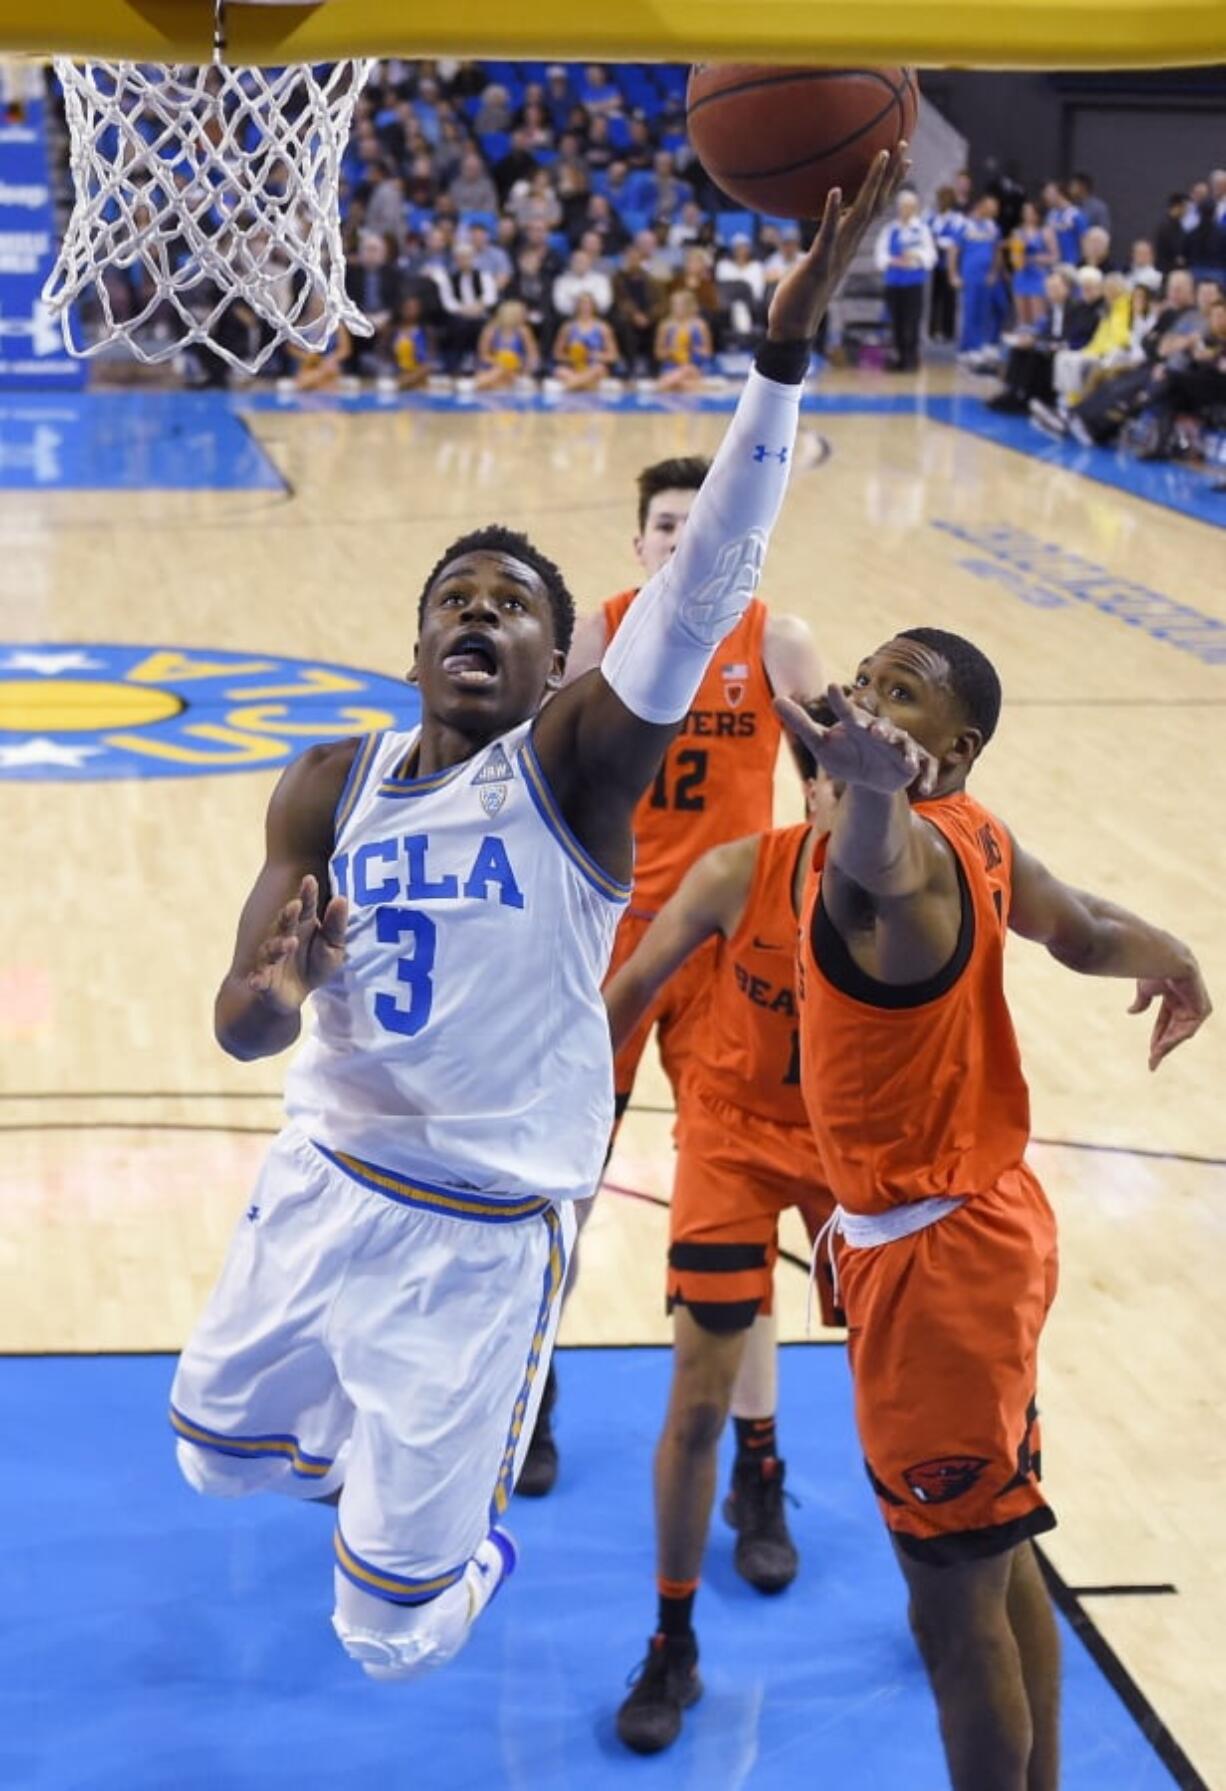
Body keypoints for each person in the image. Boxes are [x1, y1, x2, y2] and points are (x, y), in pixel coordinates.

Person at [169, 143, 910, 1692]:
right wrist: (275, 986)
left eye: (518, 607)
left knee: (383, 1633)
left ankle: (462, 1530)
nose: (483, 614)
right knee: (211, 1463)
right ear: (419, 631)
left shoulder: (574, 777)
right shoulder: (324, 784)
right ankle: (375, 1446)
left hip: (480, 1226)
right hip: (319, 1173)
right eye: (461, 595)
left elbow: (707, 583)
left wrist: (778, 358)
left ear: (558, 666)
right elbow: (238, 1030)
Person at [779, 640, 1210, 1791]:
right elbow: (1075, 929)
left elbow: (876, 855)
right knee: (1001, 1544)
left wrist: (869, 790)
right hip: (980, 1236)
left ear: (953, 749)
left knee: (950, 1622)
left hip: (938, 1283)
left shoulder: (904, 857)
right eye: (869, 679)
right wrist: (1169, 954)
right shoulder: (977, 828)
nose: (868, 701)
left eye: (902, 696)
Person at [516, 446, 823, 1496]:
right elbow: (530, 779)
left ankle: (757, 1459)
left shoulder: (777, 640)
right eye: (664, 527)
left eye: (703, 526)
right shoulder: (601, 629)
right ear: (637, 541)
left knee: (736, 1214)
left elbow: (838, 804)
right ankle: (528, 1398)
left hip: (732, 958)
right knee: (561, 1193)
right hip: (610, 944)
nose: (682, 544)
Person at [607, 713, 840, 1754]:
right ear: (811, 793)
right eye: (835, 784)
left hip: (862, 1156)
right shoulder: (737, 874)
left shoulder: (942, 891)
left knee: (923, 1390)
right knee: (692, 1402)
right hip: (735, 1138)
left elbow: (1064, 924)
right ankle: (671, 1640)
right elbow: (625, 990)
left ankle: (956, 1579)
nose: (854, 805)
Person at [874, 187, 937, 371]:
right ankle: (898, 357)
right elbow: (880, 256)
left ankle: (911, 357)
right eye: (903, 206)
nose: (906, 210)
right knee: (896, 322)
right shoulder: (890, 230)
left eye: (909, 206)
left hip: (914, 283)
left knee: (912, 322)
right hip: (893, 283)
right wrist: (894, 261)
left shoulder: (921, 230)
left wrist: (915, 258)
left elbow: (931, 256)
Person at [549, 291, 619, 391]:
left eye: (588, 304)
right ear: (577, 306)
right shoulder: (567, 327)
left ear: (594, 306)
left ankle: (569, 386)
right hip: (574, 367)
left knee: (599, 369)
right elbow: (557, 354)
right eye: (582, 303)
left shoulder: (603, 327)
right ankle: (586, 385)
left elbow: (613, 356)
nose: (585, 307)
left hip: (593, 367)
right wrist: (572, 357)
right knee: (560, 371)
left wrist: (595, 355)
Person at [1007, 200, 1055, 328]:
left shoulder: (1045, 232)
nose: (1028, 215)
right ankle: (1022, 342)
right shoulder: (1017, 232)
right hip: (1022, 274)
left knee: (1038, 317)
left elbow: (1055, 256)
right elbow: (1013, 257)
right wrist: (1017, 258)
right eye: (1025, 212)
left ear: (1037, 214)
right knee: (1023, 318)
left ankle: (1038, 343)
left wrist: (1034, 259)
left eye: (1031, 212)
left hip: (1038, 275)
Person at [653, 289, 714, 391]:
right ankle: (680, 383)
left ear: (689, 306)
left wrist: (694, 350)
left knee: (686, 370)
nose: (676, 308)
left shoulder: (700, 325)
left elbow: (708, 352)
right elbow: (659, 354)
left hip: (694, 367)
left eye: (680, 305)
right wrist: (671, 351)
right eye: (674, 305)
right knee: (681, 378)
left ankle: (672, 383)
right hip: (672, 367)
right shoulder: (665, 326)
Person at [473, 298, 539, 392]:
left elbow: (533, 356)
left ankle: (492, 384)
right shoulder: (491, 330)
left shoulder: (523, 331)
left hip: (516, 369)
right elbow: (483, 356)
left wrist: (524, 369)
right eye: (522, 313)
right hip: (493, 367)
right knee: (499, 372)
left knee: (501, 375)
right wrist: (500, 362)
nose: (525, 316)